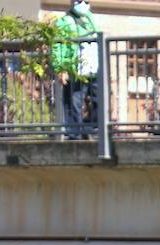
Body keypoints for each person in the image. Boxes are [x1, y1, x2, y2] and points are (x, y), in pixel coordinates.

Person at [51, 0, 100, 141]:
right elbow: (57, 46)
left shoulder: (90, 18)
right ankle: (74, 135)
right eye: (80, 1)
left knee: (99, 100)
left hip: (93, 66)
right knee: (74, 102)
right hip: (75, 67)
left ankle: (88, 127)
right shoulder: (65, 21)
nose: (83, 4)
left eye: (86, 1)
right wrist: (61, 68)